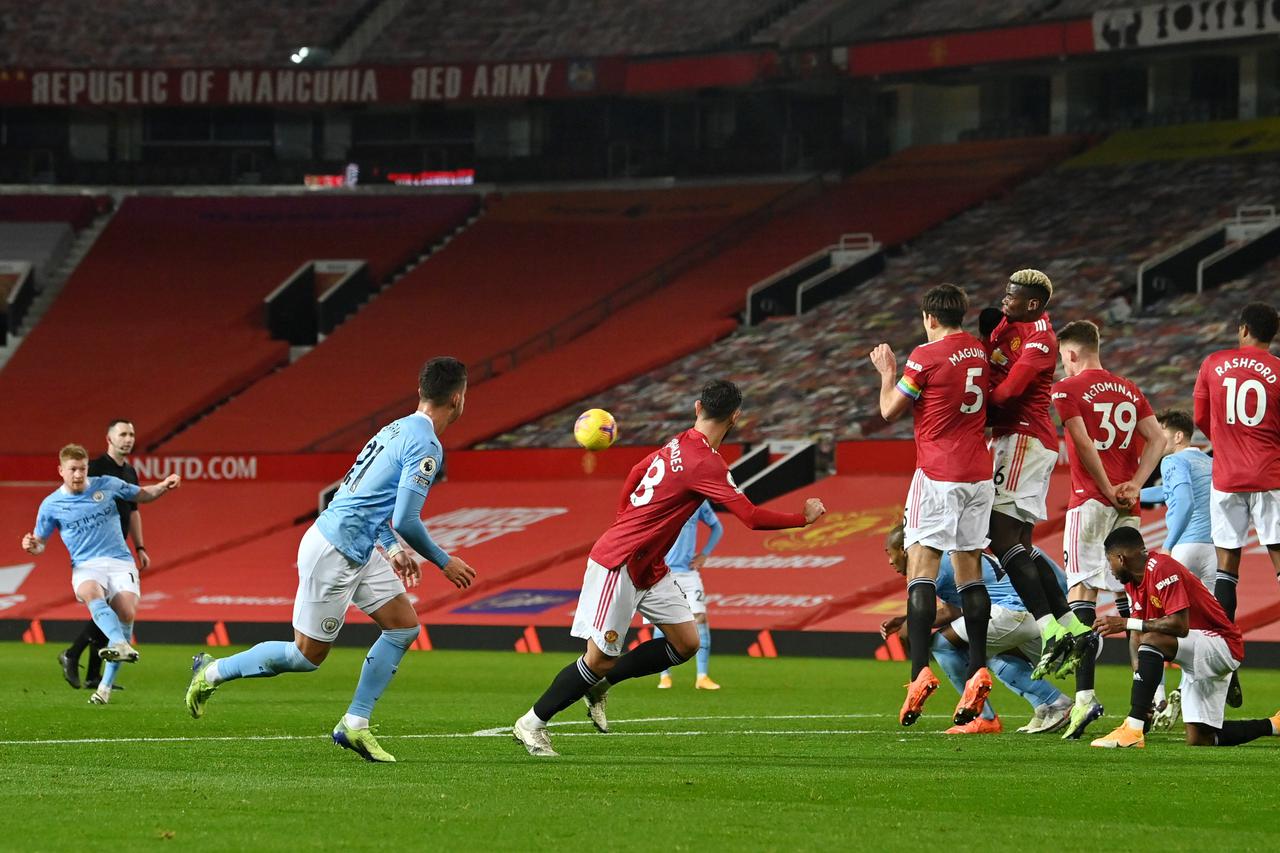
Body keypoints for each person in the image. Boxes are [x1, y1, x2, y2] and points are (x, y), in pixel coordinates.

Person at [511, 380, 826, 757]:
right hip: (621, 562)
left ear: (697, 408)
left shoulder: (679, 442)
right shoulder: (707, 462)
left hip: (651, 565)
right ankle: (532, 723)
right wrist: (802, 518)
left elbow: (636, 470)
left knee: (686, 643)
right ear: (736, 417)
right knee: (598, 658)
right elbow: (752, 517)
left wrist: (625, 516)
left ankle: (601, 684)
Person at [184, 357, 476, 763]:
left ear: (420, 392)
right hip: (334, 550)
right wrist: (444, 561)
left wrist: (392, 550)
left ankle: (354, 725)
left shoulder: (395, 429)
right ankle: (211, 672)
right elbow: (406, 519)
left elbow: (366, 500)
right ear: (459, 399)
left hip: (357, 545)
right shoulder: (426, 445)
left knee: (403, 627)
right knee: (305, 656)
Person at [870, 283, 995, 728]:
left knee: (920, 570)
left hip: (939, 474)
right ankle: (979, 665)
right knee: (970, 574)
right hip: (979, 476)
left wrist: (886, 372)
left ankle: (918, 671)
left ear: (929, 318)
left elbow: (889, 410)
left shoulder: (924, 356)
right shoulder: (979, 353)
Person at [1051, 319, 1165, 740]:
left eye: (1064, 357)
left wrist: (1104, 486)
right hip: (1128, 506)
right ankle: (1153, 694)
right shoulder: (1129, 389)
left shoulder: (1067, 389)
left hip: (1091, 502)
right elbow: (1157, 439)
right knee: (1131, 596)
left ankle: (1084, 700)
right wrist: (1136, 482)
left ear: (1073, 354)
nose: (1063, 366)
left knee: (1082, 596)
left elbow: (1082, 442)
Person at [984, 270, 1090, 678]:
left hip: (1025, 439)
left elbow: (1010, 393)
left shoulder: (1041, 340)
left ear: (1033, 303)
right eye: (1005, 292)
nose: (1005, 299)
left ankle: (1049, 629)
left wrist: (972, 408)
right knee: (1021, 544)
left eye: (1014, 296)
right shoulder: (1004, 325)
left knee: (1000, 535)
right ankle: (1070, 624)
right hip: (1019, 441)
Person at [1090, 526, 1280, 749]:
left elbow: (1179, 626)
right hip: (1197, 649)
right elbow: (1136, 636)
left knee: (1152, 639)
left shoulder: (1162, 567)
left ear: (1121, 558)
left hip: (1222, 644)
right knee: (1200, 738)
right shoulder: (1133, 583)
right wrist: (1142, 685)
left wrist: (1125, 623)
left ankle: (1133, 728)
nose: (1109, 567)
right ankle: (1274, 725)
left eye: (1109, 560)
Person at [21, 444, 181, 705]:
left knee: (127, 612)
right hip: (86, 565)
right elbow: (39, 543)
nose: (78, 474)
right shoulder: (51, 505)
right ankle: (118, 642)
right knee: (91, 593)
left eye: (82, 469)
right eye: (72, 469)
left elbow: (142, 495)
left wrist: (163, 485)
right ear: (61, 470)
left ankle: (104, 688)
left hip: (119, 562)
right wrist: (31, 545)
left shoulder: (106, 484)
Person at [880, 525, 1072, 734]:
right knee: (986, 653)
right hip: (1030, 616)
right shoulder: (950, 556)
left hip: (1010, 612)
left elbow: (915, 628)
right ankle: (1046, 705)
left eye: (890, 553)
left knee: (943, 645)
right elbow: (951, 612)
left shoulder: (930, 561)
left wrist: (907, 631)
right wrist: (906, 619)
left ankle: (984, 717)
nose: (890, 562)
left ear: (904, 548)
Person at [1193, 301, 1280, 711]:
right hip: (1271, 477)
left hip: (1226, 478)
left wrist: (1230, 443)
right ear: (1273, 334)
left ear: (1243, 328)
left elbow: (1200, 419)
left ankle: (1227, 663)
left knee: (1227, 571)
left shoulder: (1213, 363)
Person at [1138, 408, 1215, 729]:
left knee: (1155, 621)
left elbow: (1182, 502)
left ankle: (1156, 696)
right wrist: (1132, 493)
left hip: (1183, 548)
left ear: (1178, 436)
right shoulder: (1208, 462)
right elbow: (1170, 493)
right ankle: (1187, 693)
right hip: (1213, 551)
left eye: (1162, 433)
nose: (1157, 440)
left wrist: (1170, 544)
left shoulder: (1173, 460)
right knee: (1200, 628)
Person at [58, 419, 146, 691]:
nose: (128, 438)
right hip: (93, 553)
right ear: (109, 438)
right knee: (110, 609)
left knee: (113, 609)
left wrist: (140, 546)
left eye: (131, 433)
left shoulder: (130, 472)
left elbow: (133, 511)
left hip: (118, 553)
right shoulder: (95, 469)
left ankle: (89, 671)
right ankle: (73, 655)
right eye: (123, 434)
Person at [654, 500, 723, 690]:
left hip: (688, 573)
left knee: (700, 618)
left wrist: (705, 553)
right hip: (663, 573)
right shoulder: (664, 497)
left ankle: (702, 677)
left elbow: (717, 527)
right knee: (662, 622)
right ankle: (664, 675)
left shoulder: (698, 500)